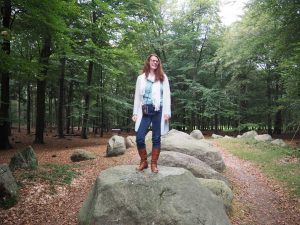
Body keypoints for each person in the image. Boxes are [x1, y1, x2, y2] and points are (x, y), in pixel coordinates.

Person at [132, 53, 171, 173]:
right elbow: (137, 97)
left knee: (156, 138)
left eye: (157, 61)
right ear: (148, 62)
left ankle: (154, 164)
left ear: (158, 63)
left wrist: (167, 112)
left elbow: (167, 96)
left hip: (158, 111)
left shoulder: (163, 77)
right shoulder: (141, 78)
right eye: (152, 61)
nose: (154, 63)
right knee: (139, 138)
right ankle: (144, 162)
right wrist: (135, 113)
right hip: (145, 111)